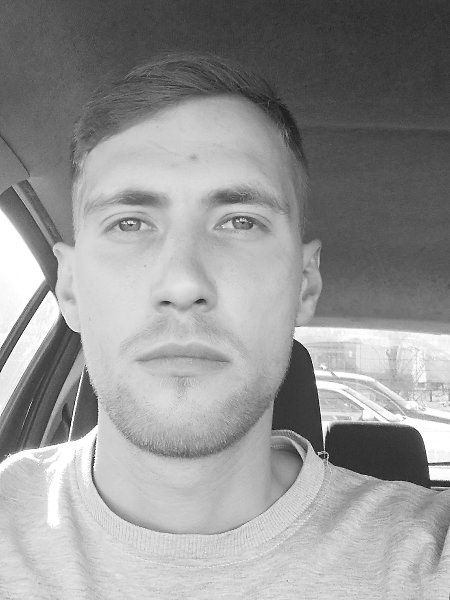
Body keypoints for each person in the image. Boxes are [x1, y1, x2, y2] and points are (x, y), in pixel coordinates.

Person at [0, 52, 449, 599]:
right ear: (70, 287)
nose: (183, 282)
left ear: (304, 284)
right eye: (130, 222)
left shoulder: (427, 560)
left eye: (240, 221)